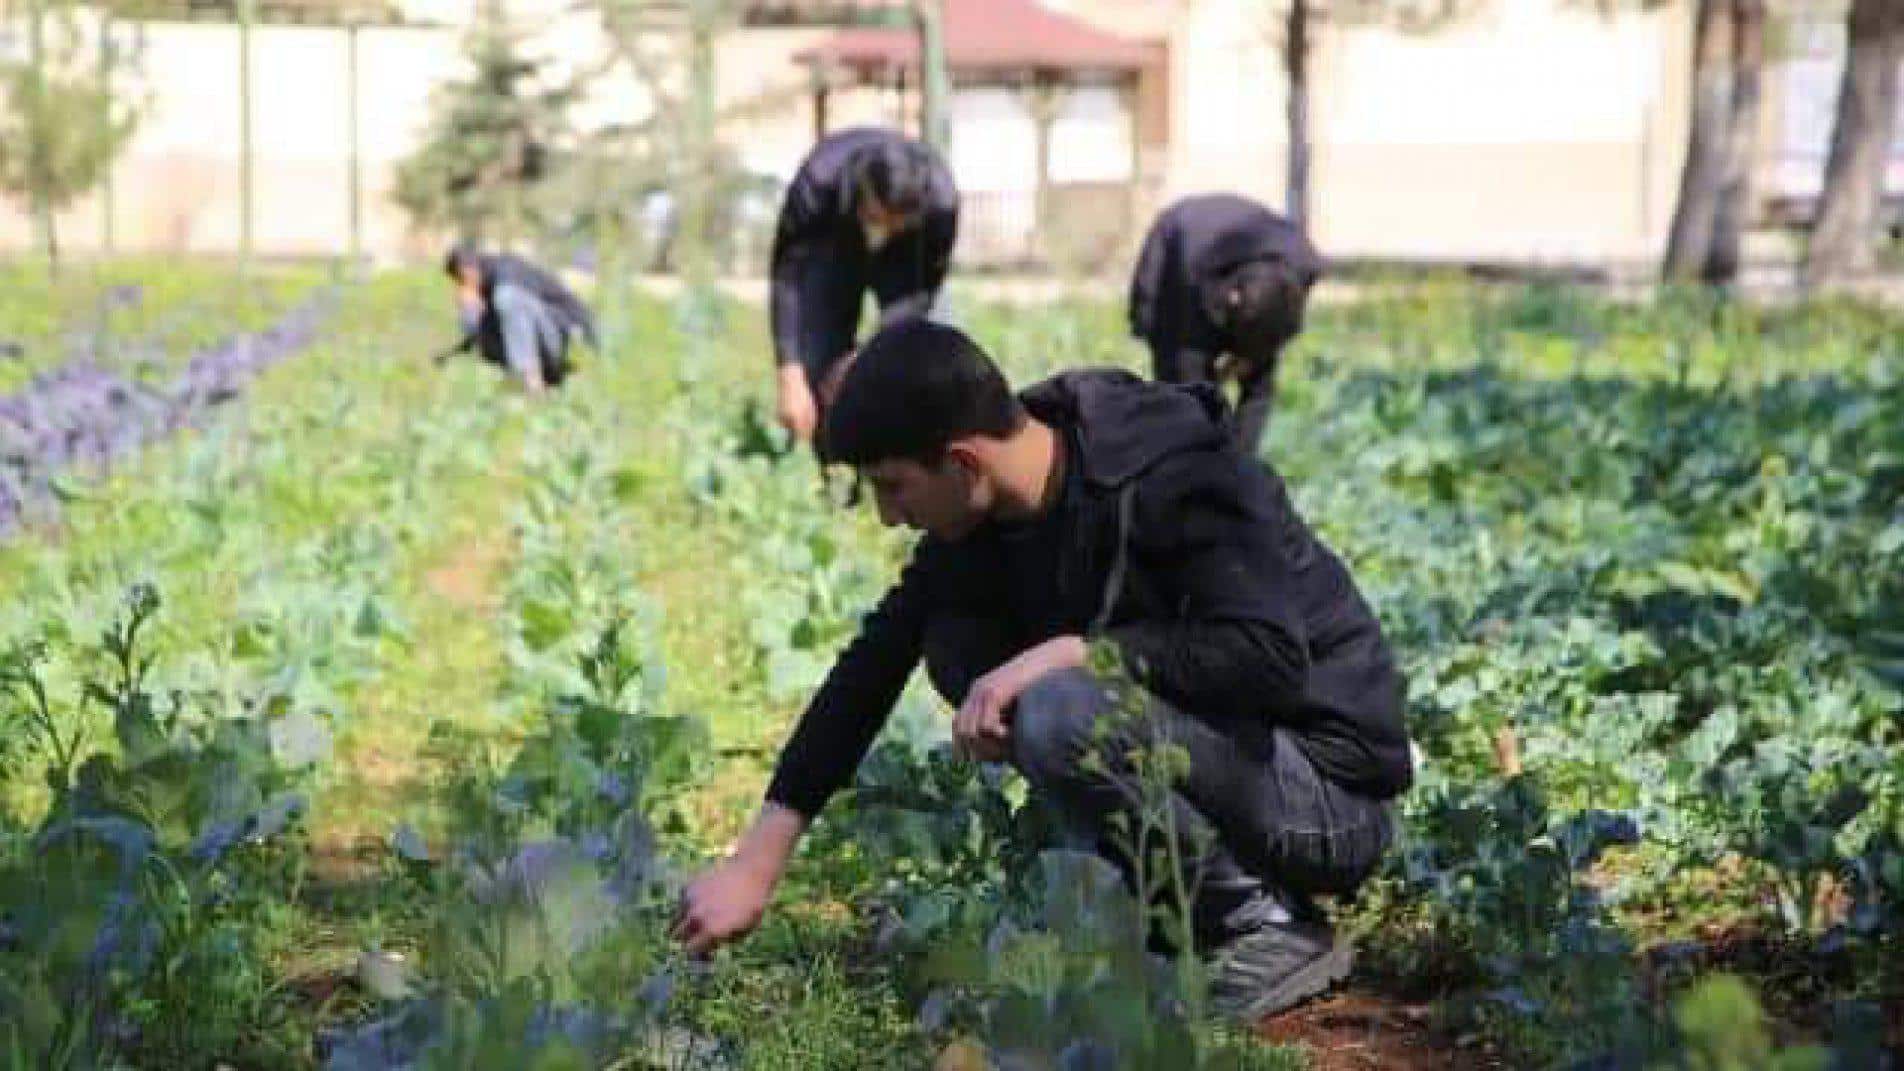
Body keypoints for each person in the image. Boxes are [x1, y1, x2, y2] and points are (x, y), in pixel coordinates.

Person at [675, 320, 1413, 1023]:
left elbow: (1270, 658)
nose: (888, 516)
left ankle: (1265, 924)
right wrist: (755, 863)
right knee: (960, 646)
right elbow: (872, 665)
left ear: (963, 460)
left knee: (1060, 707)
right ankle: (1169, 904)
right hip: (1231, 762)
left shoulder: (1180, 475)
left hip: (1329, 795)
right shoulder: (989, 511)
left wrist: (1076, 652)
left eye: (893, 485)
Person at [769, 127, 958, 453]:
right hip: (834, 242)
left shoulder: (940, 201)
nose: (884, 229)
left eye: (897, 222)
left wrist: (875, 352)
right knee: (820, 357)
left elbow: (922, 292)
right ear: (864, 192)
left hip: (906, 263)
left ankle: (901, 461)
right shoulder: (817, 183)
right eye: (880, 217)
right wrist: (789, 371)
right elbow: (788, 276)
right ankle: (832, 462)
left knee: (910, 360)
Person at [1128, 194, 1321, 454]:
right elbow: (1187, 373)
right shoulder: (1190, 273)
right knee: (1183, 389)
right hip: (1178, 236)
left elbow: (1260, 384)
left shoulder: (1302, 266)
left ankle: (1233, 468)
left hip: (1256, 274)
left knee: (1259, 378)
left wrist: (1251, 356)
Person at [439, 245, 598, 393]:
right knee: (482, 328)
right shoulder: (488, 288)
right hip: (548, 345)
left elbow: (517, 311)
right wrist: (469, 312)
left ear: (467, 271)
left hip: (569, 338)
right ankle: (533, 384)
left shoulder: (507, 271)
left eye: (459, 280)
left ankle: (532, 385)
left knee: (507, 298)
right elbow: (478, 338)